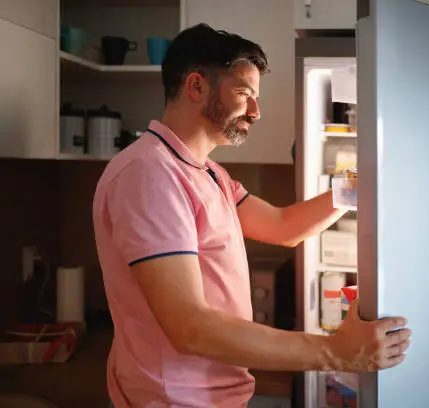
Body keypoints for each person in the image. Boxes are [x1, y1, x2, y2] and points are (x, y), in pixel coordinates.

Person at [92, 23, 411, 408]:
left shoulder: (206, 172)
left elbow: (282, 226)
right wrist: (335, 352)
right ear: (197, 86)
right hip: (174, 400)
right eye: (244, 93)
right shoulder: (150, 174)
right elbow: (189, 327)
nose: (256, 112)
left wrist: (357, 184)